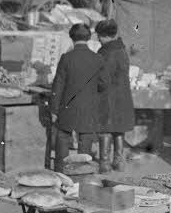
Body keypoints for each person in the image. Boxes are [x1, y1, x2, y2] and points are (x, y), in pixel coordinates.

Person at [49, 23, 103, 171]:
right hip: (89, 107)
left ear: (71, 38)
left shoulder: (66, 58)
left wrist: (54, 109)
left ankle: (61, 170)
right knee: (85, 138)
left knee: (63, 136)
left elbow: (58, 86)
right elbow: (103, 84)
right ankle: (81, 172)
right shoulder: (97, 59)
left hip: (68, 106)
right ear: (89, 37)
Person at [94, 19, 135, 172]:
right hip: (122, 96)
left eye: (99, 36)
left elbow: (102, 80)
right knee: (119, 129)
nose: (98, 38)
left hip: (107, 98)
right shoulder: (122, 50)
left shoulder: (105, 53)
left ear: (104, 36)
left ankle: (104, 163)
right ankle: (118, 161)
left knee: (105, 129)